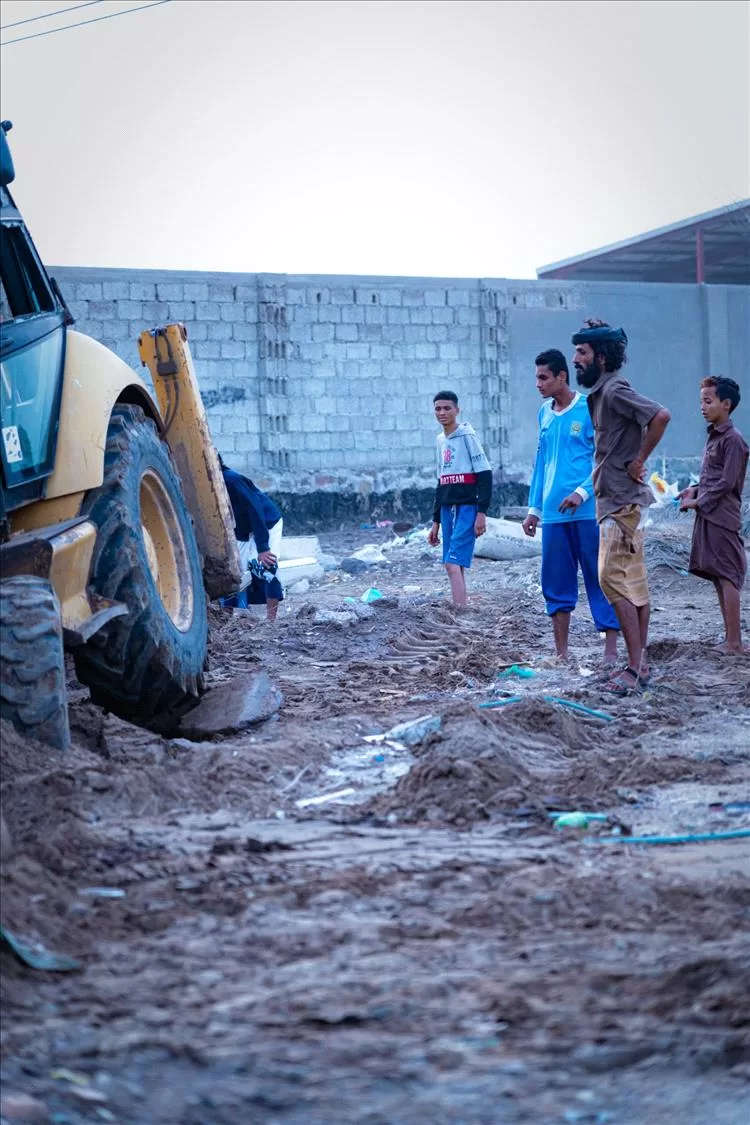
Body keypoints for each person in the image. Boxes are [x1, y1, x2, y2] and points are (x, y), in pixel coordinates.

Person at [572, 319, 671, 695]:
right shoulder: (602, 392)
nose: (577, 359)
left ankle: (635, 666)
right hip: (617, 501)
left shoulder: (614, 390)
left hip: (622, 502)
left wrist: (639, 459)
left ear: (601, 356)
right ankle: (639, 664)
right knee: (633, 583)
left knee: (612, 580)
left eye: (583, 353)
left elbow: (660, 415)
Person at [522, 349, 619, 666]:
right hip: (552, 516)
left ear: (561, 376)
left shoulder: (588, 408)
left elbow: (605, 460)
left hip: (587, 514)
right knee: (556, 582)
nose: (538, 384)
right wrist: (534, 508)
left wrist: (582, 491)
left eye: (543, 377)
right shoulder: (544, 413)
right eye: (536, 377)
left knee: (598, 578)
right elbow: (542, 463)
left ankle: (610, 651)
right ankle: (562, 654)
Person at [679, 376, 748, 654]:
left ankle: (734, 642)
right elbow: (712, 478)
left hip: (722, 517)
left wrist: (699, 502)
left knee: (728, 574)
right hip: (709, 515)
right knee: (719, 575)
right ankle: (730, 638)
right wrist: (694, 490)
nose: (703, 407)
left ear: (726, 404)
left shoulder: (733, 440)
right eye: (701, 402)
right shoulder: (715, 436)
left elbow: (728, 482)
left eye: (708, 401)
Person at [427, 390, 492, 607]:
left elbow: (484, 474)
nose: (442, 412)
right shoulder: (439, 441)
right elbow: (440, 481)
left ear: (457, 410)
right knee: (456, 564)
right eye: (438, 408)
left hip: (467, 508)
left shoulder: (467, 437)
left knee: (451, 564)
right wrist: (435, 522)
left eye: (447, 408)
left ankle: (459, 611)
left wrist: (481, 513)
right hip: (447, 509)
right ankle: (462, 605)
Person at [218, 454, 284, 623]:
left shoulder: (232, 480)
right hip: (242, 529)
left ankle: (271, 620)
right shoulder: (210, 483)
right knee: (233, 570)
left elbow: (255, 510)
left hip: (266, 523)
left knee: (266, 566)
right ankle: (226, 618)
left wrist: (263, 547)